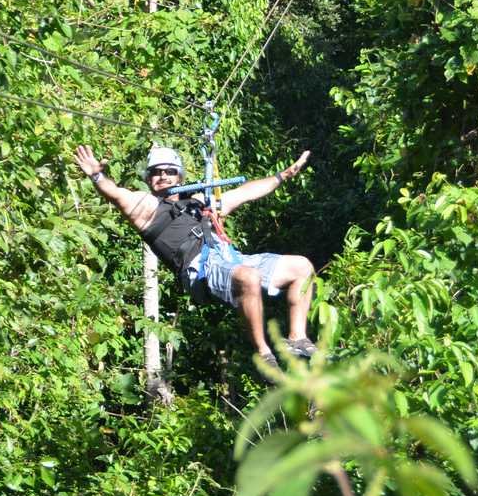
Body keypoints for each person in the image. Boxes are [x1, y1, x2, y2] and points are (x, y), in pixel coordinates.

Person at [73, 144, 317, 368]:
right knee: (248, 277)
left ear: (180, 177)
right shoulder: (146, 207)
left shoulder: (200, 202)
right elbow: (115, 194)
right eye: (157, 172)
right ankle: (263, 353)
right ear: (148, 179)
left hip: (230, 258)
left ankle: (297, 338)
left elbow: (244, 193)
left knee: (302, 267)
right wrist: (96, 176)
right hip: (200, 268)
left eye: (170, 171)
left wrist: (282, 176)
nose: (164, 176)